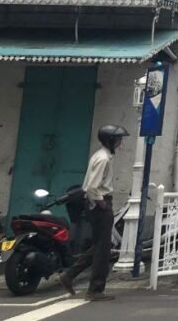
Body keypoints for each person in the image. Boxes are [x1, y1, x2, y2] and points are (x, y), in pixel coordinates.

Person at [59, 124, 129, 302]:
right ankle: (95, 289)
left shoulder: (103, 156)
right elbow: (92, 187)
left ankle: (70, 274)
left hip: (97, 204)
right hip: (99, 205)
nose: (121, 143)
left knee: (100, 245)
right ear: (111, 140)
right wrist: (102, 203)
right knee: (103, 250)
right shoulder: (103, 159)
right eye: (118, 139)